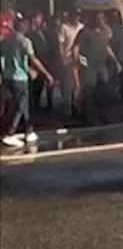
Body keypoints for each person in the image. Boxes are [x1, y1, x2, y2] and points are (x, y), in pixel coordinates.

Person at [2, 17, 55, 148]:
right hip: (20, 77)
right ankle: (10, 133)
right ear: (23, 26)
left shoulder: (5, 40)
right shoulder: (25, 41)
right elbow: (33, 59)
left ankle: (29, 130)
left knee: (24, 104)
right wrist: (46, 73)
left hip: (8, 76)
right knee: (20, 106)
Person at [73, 12, 120, 125]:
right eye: (98, 18)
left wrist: (115, 61)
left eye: (102, 18)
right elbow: (76, 46)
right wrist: (77, 59)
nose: (100, 20)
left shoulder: (106, 31)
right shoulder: (85, 31)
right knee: (89, 90)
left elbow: (107, 47)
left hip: (101, 64)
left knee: (103, 89)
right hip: (90, 65)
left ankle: (102, 114)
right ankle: (87, 116)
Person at [57, 10, 84, 117]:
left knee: (79, 85)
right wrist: (63, 58)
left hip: (80, 59)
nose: (76, 17)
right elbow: (61, 44)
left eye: (78, 15)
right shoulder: (64, 27)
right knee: (68, 85)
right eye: (74, 15)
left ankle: (77, 107)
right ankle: (67, 109)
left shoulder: (82, 27)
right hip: (68, 59)